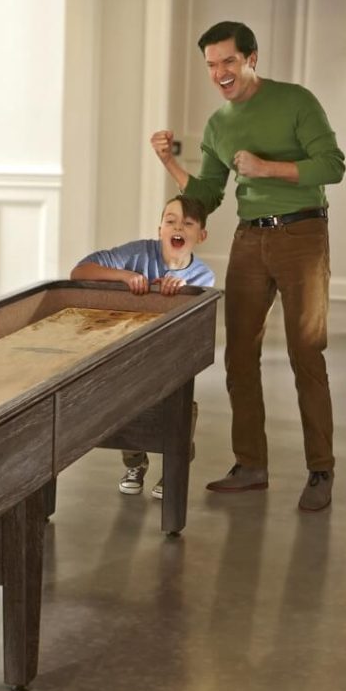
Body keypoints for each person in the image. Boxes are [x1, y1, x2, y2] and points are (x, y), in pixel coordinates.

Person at [151, 20, 345, 512]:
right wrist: (169, 163)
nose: (220, 72)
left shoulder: (295, 101)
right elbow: (207, 196)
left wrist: (266, 168)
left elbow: (332, 165)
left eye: (229, 61)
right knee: (238, 355)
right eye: (211, 64)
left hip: (302, 235)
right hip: (248, 238)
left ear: (251, 58)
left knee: (306, 352)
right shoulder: (218, 125)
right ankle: (251, 465)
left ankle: (321, 470)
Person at [71, 195, 215, 498]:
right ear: (160, 229)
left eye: (188, 224)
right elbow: (80, 272)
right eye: (171, 221)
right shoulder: (137, 253)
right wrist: (126, 276)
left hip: (173, 356)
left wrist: (181, 294)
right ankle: (135, 463)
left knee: (178, 406)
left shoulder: (203, 276)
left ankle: (174, 467)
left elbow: (196, 326)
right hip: (131, 349)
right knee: (128, 405)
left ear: (201, 235)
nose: (178, 228)